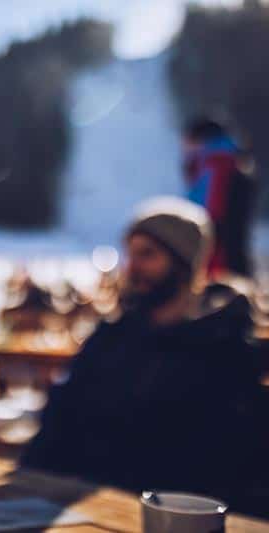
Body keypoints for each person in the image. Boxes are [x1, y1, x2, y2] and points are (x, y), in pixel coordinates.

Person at [22, 197, 267, 516]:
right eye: (131, 254)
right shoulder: (112, 336)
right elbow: (60, 420)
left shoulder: (225, 345)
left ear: (183, 263)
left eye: (148, 254)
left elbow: (233, 457)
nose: (133, 267)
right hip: (84, 506)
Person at [182, 117, 256, 277]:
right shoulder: (232, 160)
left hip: (219, 262)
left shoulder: (217, 163)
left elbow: (209, 217)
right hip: (232, 255)